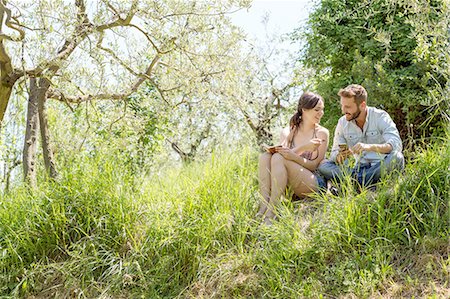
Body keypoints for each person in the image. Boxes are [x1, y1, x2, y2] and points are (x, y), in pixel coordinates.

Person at [258, 92, 329, 224]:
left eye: (322, 109)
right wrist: (303, 148)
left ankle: (271, 213)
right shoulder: (289, 131)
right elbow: (284, 153)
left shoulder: (321, 133)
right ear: (304, 110)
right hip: (291, 184)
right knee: (265, 157)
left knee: (278, 158)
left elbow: (315, 166)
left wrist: (297, 153)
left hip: (314, 182)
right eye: (317, 110)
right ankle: (262, 207)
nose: (321, 113)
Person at [318, 84, 404, 190]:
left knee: (397, 158)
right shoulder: (342, 122)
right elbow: (334, 153)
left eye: (348, 107)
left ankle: (354, 184)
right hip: (357, 169)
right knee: (323, 166)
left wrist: (369, 147)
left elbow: (396, 145)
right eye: (342, 106)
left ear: (362, 105)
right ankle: (367, 184)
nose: (343, 111)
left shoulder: (380, 116)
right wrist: (340, 156)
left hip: (378, 166)